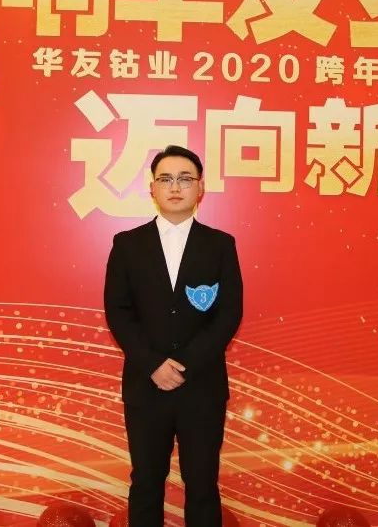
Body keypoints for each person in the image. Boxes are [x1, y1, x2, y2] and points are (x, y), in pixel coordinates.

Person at [104, 145, 243, 526]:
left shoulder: (220, 245)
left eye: (185, 178)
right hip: (146, 386)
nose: (175, 187)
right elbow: (118, 311)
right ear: (152, 188)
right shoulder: (127, 244)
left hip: (202, 386)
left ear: (201, 188)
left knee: (202, 484)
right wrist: (153, 364)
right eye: (165, 179)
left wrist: (183, 366)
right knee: (146, 483)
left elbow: (228, 314)